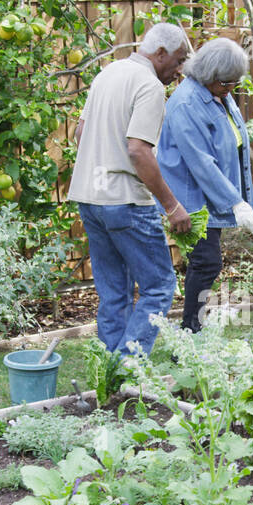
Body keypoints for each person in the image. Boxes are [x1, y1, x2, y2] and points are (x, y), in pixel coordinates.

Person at [69, 23, 192, 356]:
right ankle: (129, 365)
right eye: (179, 61)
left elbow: (79, 134)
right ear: (160, 53)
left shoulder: (107, 74)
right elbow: (138, 150)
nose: (180, 70)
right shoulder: (149, 86)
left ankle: (113, 374)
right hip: (124, 202)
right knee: (159, 286)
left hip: (89, 199)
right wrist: (172, 206)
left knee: (114, 293)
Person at [156, 36, 253, 333]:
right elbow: (201, 162)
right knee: (206, 262)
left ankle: (191, 331)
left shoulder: (218, 95)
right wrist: (235, 202)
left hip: (208, 196)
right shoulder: (187, 103)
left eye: (234, 84)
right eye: (228, 83)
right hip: (190, 200)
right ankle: (190, 333)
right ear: (210, 75)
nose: (232, 89)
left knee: (205, 263)